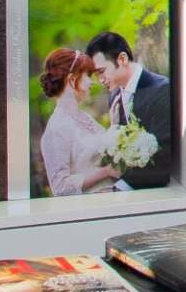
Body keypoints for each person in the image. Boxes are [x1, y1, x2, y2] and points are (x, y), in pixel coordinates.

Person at [86, 30, 177, 190]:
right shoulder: (114, 96)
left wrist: (120, 188)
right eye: (96, 75)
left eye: (101, 71)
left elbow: (163, 159)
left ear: (122, 59)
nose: (100, 80)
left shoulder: (163, 90)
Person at [35, 44, 121, 197]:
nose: (92, 82)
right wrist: (105, 172)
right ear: (72, 79)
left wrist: (115, 125)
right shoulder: (56, 128)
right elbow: (60, 188)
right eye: (87, 75)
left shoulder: (84, 117)